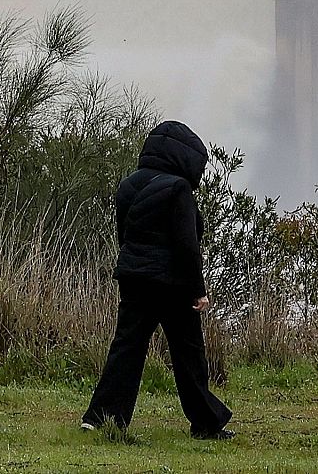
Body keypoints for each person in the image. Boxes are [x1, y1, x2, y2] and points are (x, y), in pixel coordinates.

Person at [81, 120, 234, 440]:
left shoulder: (128, 185)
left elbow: (124, 234)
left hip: (133, 277)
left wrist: (134, 264)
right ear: (185, 158)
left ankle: (101, 417)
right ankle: (206, 423)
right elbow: (187, 245)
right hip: (173, 283)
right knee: (188, 354)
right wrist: (198, 290)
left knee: (127, 348)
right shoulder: (178, 189)